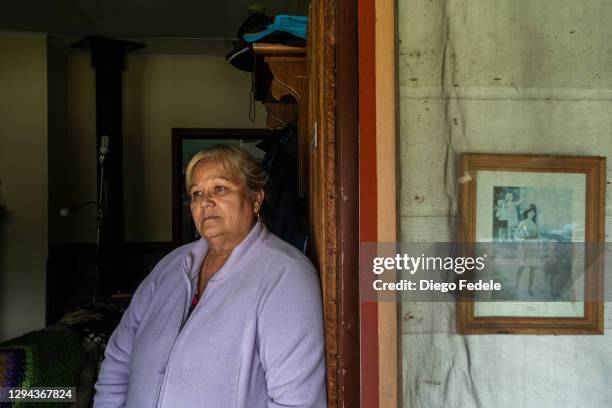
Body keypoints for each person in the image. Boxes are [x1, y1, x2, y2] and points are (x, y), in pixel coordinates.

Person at [93, 145, 327, 407]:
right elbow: (119, 359)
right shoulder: (170, 266)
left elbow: (297, 401)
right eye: (197, 193)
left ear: (256, 199)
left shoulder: (286, 275)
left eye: (220, 188)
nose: (206, 201)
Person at [514, 204, 540, 297]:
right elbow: (516, 235)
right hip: (525, 246)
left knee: (532, 268)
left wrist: (537, 242)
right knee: (522, 266)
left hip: (533, 247)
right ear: (527, 213)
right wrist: (521, 239)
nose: (532, 213)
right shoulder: (522, 223)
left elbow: (537, 236)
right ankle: (516, 282)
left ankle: (530, 288)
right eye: (530, 212)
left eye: (533, 212)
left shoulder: (534, 224)